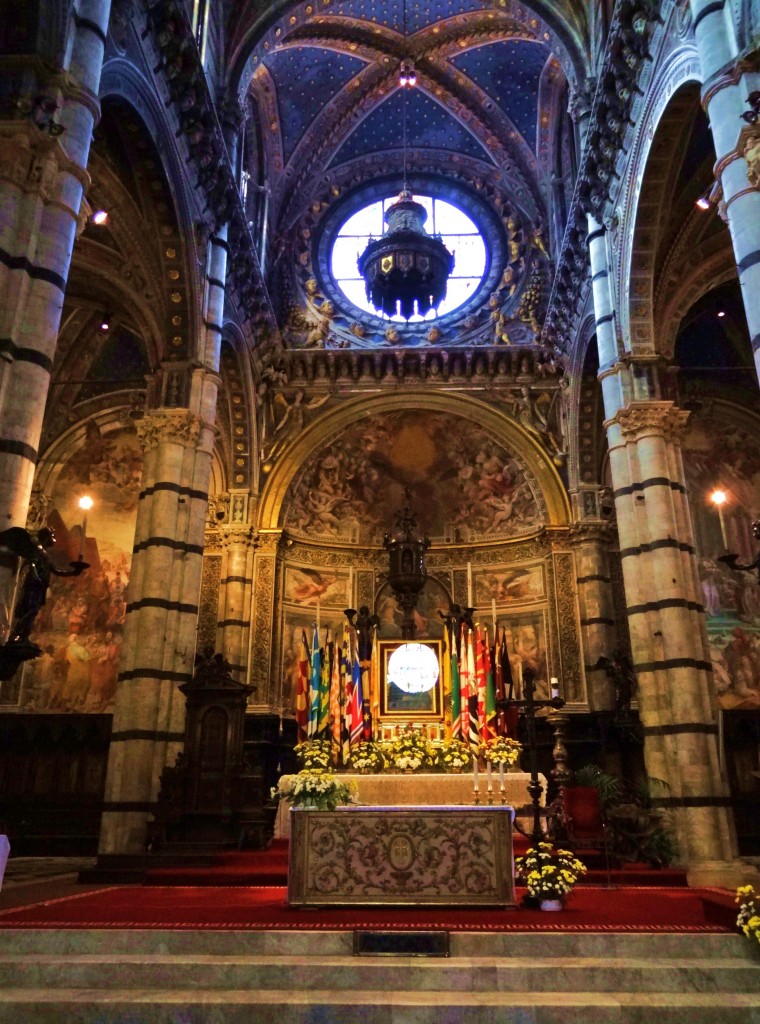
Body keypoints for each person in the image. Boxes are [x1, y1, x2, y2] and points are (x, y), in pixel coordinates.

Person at [1, 527, 88, 644]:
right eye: (52, 536)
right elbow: (31, 563)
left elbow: (56, 570)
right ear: (47, 537)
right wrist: (35, 576)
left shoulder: (45, 554)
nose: (54, 539)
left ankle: (24, 636)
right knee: (27, 610)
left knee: (33, 612)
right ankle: (16, 634)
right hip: (33, 585)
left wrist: (74, 572)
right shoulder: (36, 549)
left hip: (40, 587)